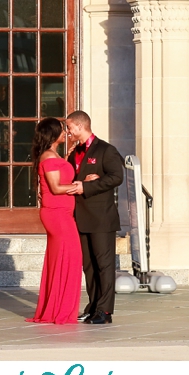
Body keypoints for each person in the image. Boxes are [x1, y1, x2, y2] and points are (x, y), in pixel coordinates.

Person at [64, 110, 124, 325]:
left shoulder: (106, 149)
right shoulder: (74, 152)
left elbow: (117, 177)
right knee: (88, 266)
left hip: (101, 218)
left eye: (69, 127)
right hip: (81, 217)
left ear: (80, 126)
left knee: (104, 265)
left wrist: (88, 185)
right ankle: (93, 306)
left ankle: (105, 311)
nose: (68, 132)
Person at [26, 118, 82, 325]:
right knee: (70, 259)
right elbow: (56, 188)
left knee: (61, 259)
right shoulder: (48, 157)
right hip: (57, 214)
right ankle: (60, 310)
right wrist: (80, 186)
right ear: (53, 134)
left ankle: (58, 307)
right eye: (62, 130)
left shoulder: (54, 155)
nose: (65, 132)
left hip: (62, 213)